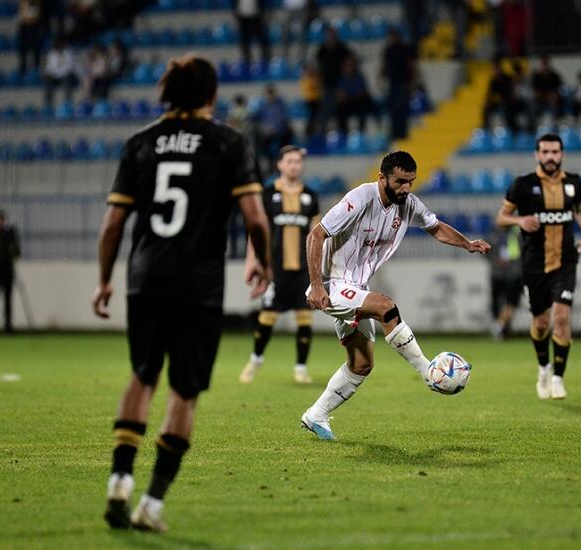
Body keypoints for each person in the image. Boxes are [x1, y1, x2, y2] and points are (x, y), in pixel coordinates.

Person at [92, 55, 272, 532]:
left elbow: (113, 223)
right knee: (184, 394)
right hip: (199, 285)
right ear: (211, 96)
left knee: (142, 377)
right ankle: (151, 504)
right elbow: (255, 217)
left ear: (168, 92)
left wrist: (106, 278)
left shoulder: (140, 142)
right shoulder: (228, 142)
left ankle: (118, 482)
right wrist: (264, 260)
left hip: (145, 278)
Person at [301, 151, 491, 440]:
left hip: (355, 287)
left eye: (410, 182)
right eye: (400, 181)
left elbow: (436, 228)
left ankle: (316, 415)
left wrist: (467, 244)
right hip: (332, 283)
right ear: (382, 177)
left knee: (361, 364)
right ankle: (428, 371)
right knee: (385, 307)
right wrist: (316, 285)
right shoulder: (360, 199)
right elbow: (316, 235)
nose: (405, 188)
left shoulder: (408, 204)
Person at [496, 133, 581, 400]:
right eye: (545, 152)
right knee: (541, 323)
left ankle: (558, 379)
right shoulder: (523, 185)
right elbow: (501, 217)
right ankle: (543, 368)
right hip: (534, 264)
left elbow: (579, 209)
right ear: (537, 155)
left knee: (562, 317)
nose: (550, 157)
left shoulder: (574, 183)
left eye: (555, 152)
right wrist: (520, 222)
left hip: (566, 260)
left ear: (562, 154)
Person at [240, 145, 320, 385]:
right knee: (268, 316)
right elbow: (256, 232)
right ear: (280, 165)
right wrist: (251, 263)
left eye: (298, 161)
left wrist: (320, 268)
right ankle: (255, 360)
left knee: (304, 316)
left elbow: (317, 236)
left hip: (303, 269)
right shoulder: (267, 194)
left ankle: (301, 368)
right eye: (290, 161)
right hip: (275, 268)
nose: (294, 165)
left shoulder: (311, 196)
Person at [486, 224, 522, 339]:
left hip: (514, 274)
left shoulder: (517, 233)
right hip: (497, 274)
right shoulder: (492, 234)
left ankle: (500, 328)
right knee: (496, 304)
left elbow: (524, 251)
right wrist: (495, 260)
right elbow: (484, 250)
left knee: (511, 302)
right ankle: (500, 328)